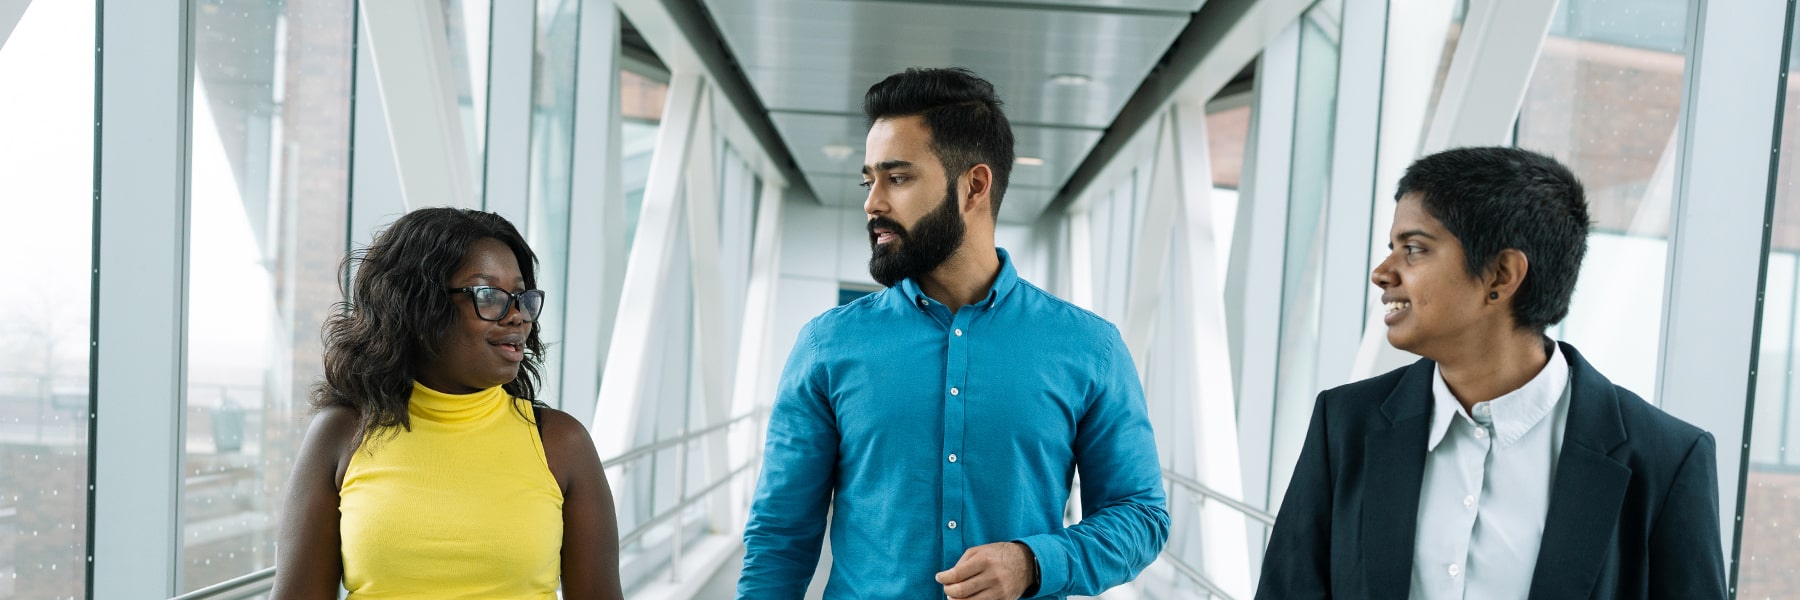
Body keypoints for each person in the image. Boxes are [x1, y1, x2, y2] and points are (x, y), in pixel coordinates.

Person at [737, 67, 1169, 600]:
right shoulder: (827, 345)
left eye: (897, 178)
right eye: (868, 180)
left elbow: (1141, 516)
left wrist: (1034, 562)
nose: (873, 203)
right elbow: (780, 535)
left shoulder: (1089, 348)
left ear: (975, 186)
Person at [1255, 147, 1726, 599]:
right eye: (1392, 248)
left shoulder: (1666, 460)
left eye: (1414, 249)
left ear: (1502, 275)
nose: (1383, 272)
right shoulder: (1344, 424)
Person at [270, 208, 623, 599]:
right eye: (489, 295)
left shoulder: (560, 442)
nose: (518, 317)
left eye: (521, 297)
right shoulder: (343, 433)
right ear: (417, 305)